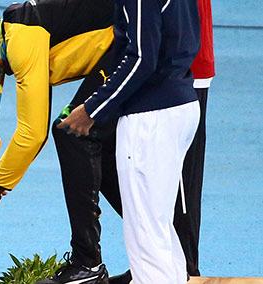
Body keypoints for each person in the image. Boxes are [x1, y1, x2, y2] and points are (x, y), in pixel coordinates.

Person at [0, 1, 123, 283]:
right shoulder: (20, 30)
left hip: (129, 43)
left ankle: (87, 263)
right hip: (122, 42)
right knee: (90, 146)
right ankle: (158, 250)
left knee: (72, 133)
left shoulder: (21, 41)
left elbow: (32, 134)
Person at [58, 0, 200, 282]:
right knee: (157, 225)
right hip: (180, 103)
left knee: (145, 230)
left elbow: (139, 59)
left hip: (150, 117)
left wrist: (92, 109)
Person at [174, 0, 215, 276]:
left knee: (180, 183)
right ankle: (161, 258)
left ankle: (185, 268)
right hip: (174, 63)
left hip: (183, 68)